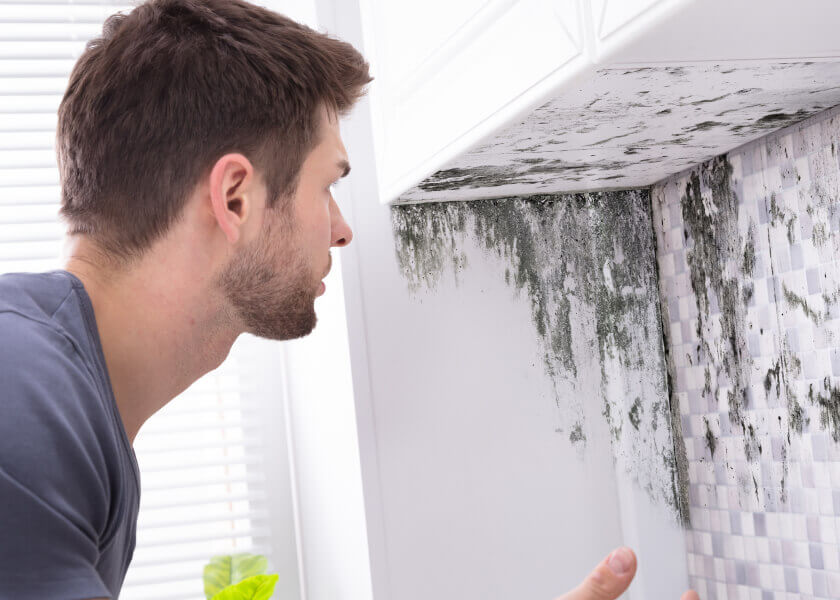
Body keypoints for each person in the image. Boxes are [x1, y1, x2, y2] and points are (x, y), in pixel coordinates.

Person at [0, 1, 699, 598]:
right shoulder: (26, 402)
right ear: (235, 198)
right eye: (327, 185)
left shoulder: (63, 405)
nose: (340, 228)